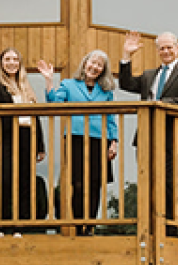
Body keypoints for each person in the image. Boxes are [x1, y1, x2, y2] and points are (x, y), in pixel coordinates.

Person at [119, 31, 178, 219]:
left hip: (170, 135)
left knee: (168, 183)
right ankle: (147, 224)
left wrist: (160, 104)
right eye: (162, 48)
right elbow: (126, 84)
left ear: (177, 48)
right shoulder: (149, 75)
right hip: (146, 135)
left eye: (169, 47)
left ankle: (169, 226)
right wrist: (126, 56)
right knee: (146, 180)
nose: (165, 51)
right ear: (157, 51)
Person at [38, 51, 118, 228]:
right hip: (76, 139)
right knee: (79, 183)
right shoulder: (69, 84)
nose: (94, 67)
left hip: (99, 139)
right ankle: (78, 223)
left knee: (95, 184)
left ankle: (89, 226)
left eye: (99, 65)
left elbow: (111, 118)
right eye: (92, 63)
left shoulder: (106, 91)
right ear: (85, 63)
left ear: (103, 70)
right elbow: (54, 105)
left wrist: (114, 142)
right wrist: (49, 80)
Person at [0, 47, 45, 229]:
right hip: (6, 138)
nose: (12, 63)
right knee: (5, 181)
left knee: (25, 181)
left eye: (15, 59)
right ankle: (0, 225)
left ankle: (19, 225)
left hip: (27, 137)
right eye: (7, 59)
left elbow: (36, 117)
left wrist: (40, 145)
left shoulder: (27, 87)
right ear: (1, 63)